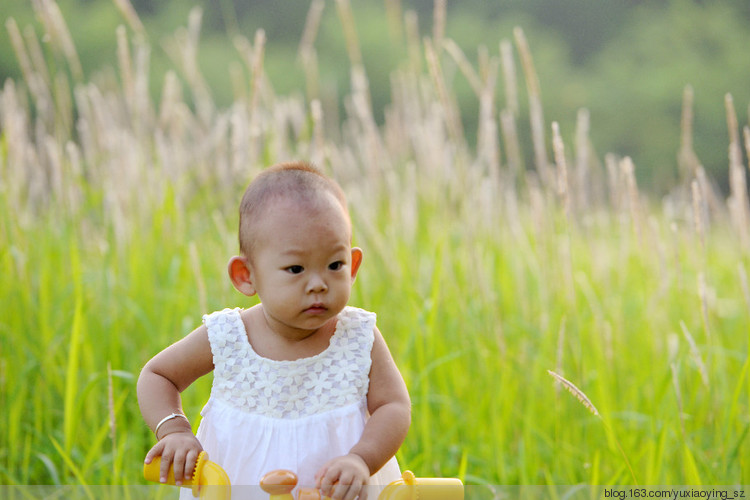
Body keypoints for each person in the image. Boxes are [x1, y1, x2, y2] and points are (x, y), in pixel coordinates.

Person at [137, 161, 411, 500]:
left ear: (353, 265)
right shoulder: (228, 335)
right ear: (245, 275)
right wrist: (173, 429)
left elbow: (394, 406)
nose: (318, 284)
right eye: (296, 268)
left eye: (334, 265)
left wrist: (361, 459)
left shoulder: (357, 336)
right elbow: (157, 375)